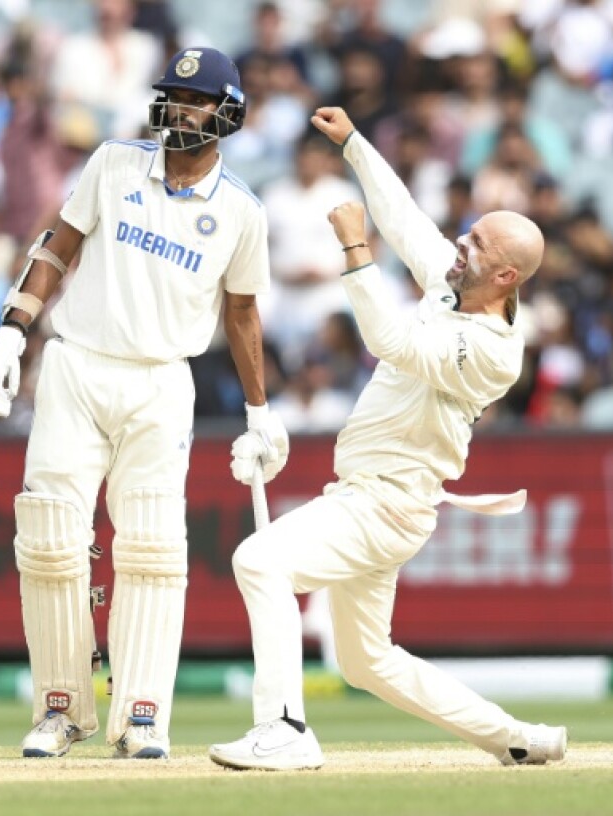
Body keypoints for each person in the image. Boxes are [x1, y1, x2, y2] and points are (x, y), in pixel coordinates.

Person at [208, 106, 566, 771]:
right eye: (471, 231)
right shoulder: (458, 286)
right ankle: (517, 738)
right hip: (378, 498)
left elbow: (391, 343)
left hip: (386, 503)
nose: (463, 241)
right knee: (366, 661)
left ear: (506, 277)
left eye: (479, 243)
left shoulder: (491, 349)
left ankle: (284, 728)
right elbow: (405, 219)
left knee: (259, 562)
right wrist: (355, 146)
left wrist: (353, 251)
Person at [0, 47, 288, 759]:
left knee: (152, 549)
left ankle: (142, 713)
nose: (178, 110)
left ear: (226, 113)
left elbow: (242, 315)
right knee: (49, 538)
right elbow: (56, 248)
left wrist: (261, 415)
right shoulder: (113, 163)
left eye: (194, 99)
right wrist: (11, 337)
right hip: (76, 365)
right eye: (171, 96)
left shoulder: (240, 211)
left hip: (161, 382)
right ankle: (61, 707)